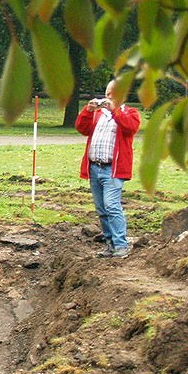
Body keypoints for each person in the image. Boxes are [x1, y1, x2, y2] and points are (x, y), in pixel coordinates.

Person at [75, 80, 141, 259]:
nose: (109, 97)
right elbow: (81, 128)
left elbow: (130, 128)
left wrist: (114, 110)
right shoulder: (98, 115)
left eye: (113, 94)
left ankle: (121, 244)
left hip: (113, 169)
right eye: (108, 93)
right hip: (94, 167)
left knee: (112, 205)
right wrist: (88, 111)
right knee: (101, 208)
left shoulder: (130, 113)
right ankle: (110, 243)